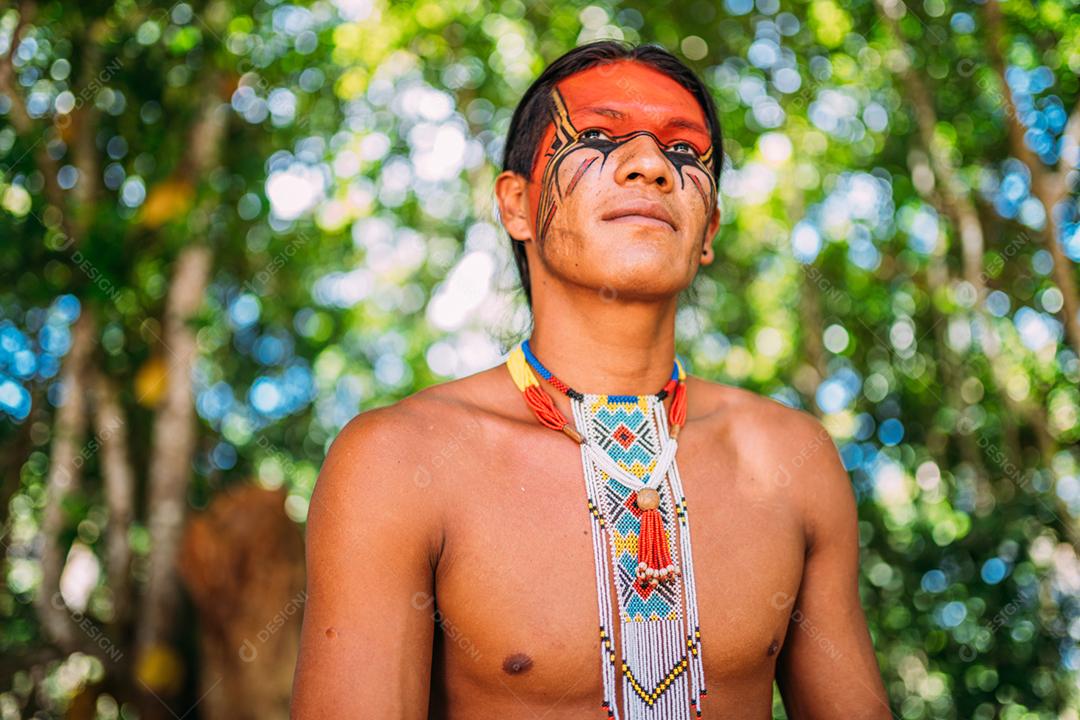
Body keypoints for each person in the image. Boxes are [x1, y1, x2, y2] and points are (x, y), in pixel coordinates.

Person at [290, 40, 892, 719]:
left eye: (685, 151)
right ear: (517, 205)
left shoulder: (793, 460)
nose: (650, 165)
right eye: (600, 136)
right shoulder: (398, 461)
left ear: (709, 229)